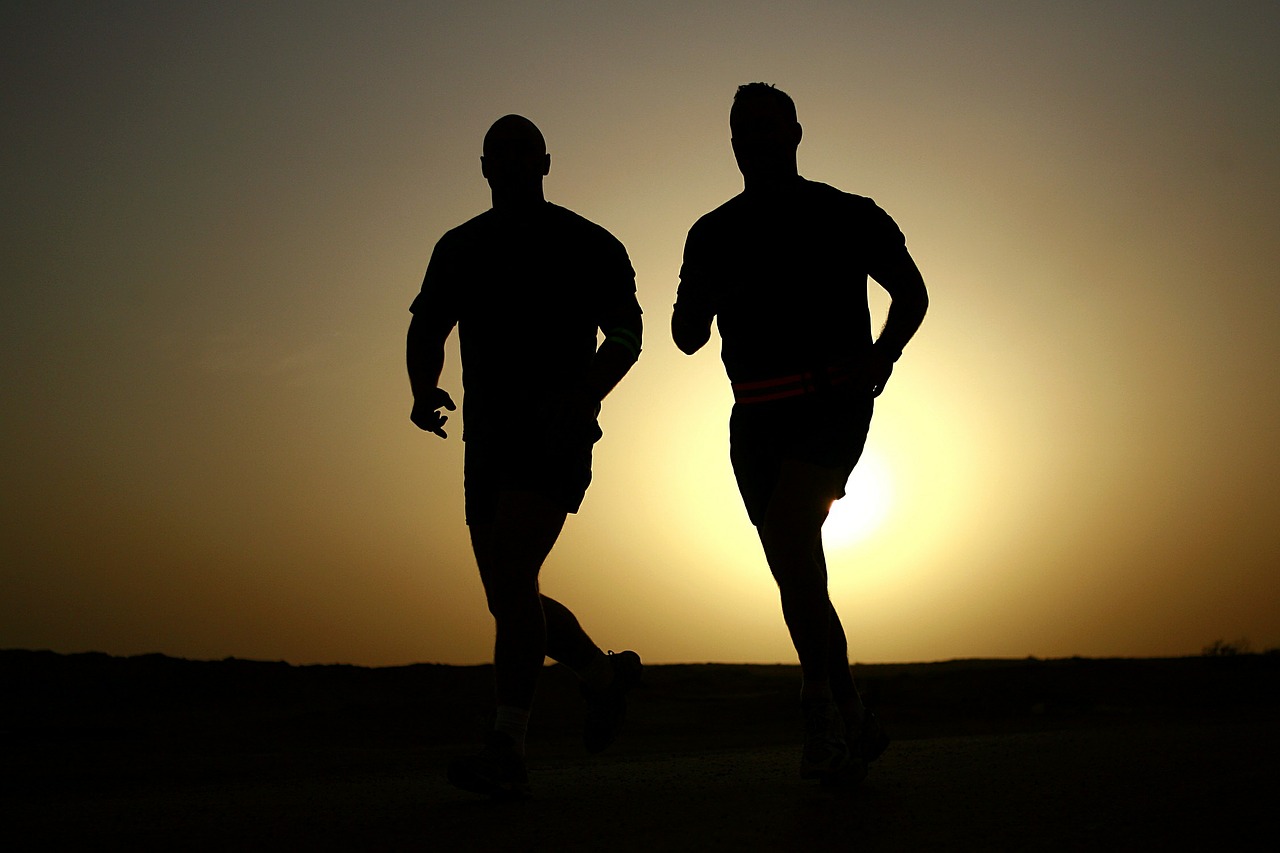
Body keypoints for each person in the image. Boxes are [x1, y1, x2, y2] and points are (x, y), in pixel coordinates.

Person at [672, 83, 928, 784]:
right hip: (753, 416)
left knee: (790, 534)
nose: (754, 138)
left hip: (831, 406)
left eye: (766, 125)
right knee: (798, 574)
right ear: (732, 143)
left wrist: (882, 355)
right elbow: (685, 336)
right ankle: (848, 710)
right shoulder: (712, 232)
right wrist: (711, 299)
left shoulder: (847, 213)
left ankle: (819, 708)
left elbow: (912, 292)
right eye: (742, 129)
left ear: (795, 133)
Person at [407, 114, 644, 800]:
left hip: (556, 435)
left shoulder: (588, 243)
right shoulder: (460, 248)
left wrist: (584, 394)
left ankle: (508, 744)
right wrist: (424, 389)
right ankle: (601, 676)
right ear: (483, 167)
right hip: (487, 440)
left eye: (522, 152)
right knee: (511, 594)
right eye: (498, 154)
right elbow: (428, 324)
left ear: (546, 162)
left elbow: (627, 333)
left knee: (512, 576)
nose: (510, 164)